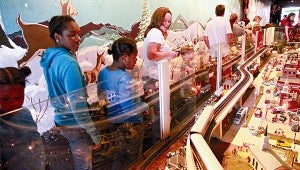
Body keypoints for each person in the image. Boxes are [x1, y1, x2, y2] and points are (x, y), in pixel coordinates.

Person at [40, 15, 100, 170]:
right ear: (57, 36)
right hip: (75, 125)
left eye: (78, 33)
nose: (78, 38)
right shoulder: (69, 63)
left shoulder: (52, 57)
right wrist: (94, 134)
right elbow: (78, 107)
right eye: (71, 35)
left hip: (61, 121)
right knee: (83, 166)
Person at [97, 37, 148, 169]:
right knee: (133, 159)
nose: (136, 60)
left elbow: (101, 96)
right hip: (130, 126)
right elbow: (129, 109)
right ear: (124, 58)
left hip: (113, 123)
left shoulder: (103, 73)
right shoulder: (125, 78)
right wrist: (145, 106)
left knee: (118, 157)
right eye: (134, 57)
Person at [0, 66, 45, 169]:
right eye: (5, 99)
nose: (14, 103)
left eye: (18, 97)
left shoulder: (24, 113)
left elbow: (36, 143)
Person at [143, 7, 178, 80]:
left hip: (158, 76)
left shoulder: (154, 32)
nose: (167, 24)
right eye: (164, 20)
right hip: (157, 77)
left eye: (169, 21)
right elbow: (151, 55)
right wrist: (169, 54)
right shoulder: (156, 32)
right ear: (157, 19)